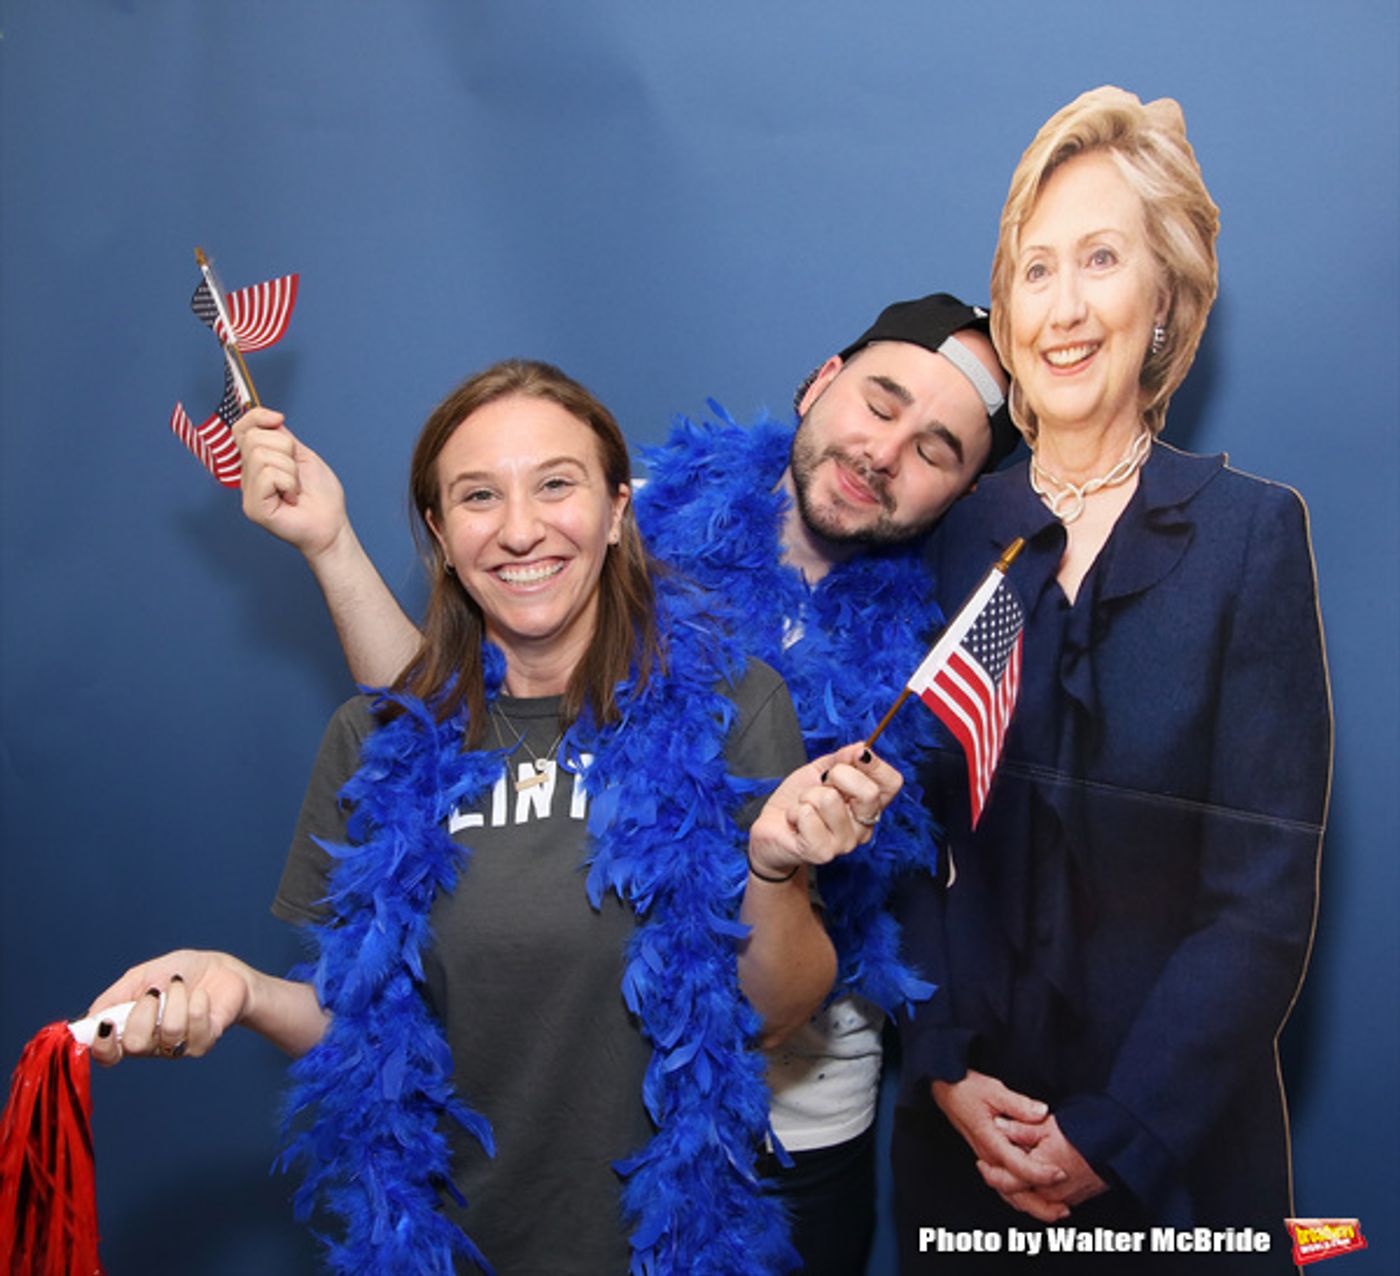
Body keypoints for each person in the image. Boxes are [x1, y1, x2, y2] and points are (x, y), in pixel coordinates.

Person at [232, 294, 1017, 1274]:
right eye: (879, 400)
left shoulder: (957, 624)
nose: (884, 451)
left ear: (961, 487)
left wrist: (949, 1050)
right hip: (580, 1065)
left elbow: (938, 891)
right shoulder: (613, 513)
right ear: (822, 379)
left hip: (794, 1094)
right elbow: (438, 733)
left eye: (937, 447)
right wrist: (330, 545)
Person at [86, 360, 905, 1274]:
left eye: (556, 484)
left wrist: (770, 869)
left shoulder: (733, 710)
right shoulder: (374, 743)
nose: (521, 529)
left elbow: (775, 1015)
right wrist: (240, 991)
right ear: (440, 534)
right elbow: (366, 1031)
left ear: (616, 511)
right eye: (479, 497)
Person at [892, 88, 1331, 1273]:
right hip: (965, 1152)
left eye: (1100, 259)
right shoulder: (946, 532)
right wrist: (939, 1064)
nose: (1065, 304)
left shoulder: (1249, 537)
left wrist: (1113, 1133)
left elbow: (1260, 899)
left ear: (1164, 298)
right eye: (1035, 269)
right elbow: (894, 839)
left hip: (1176, 1161)